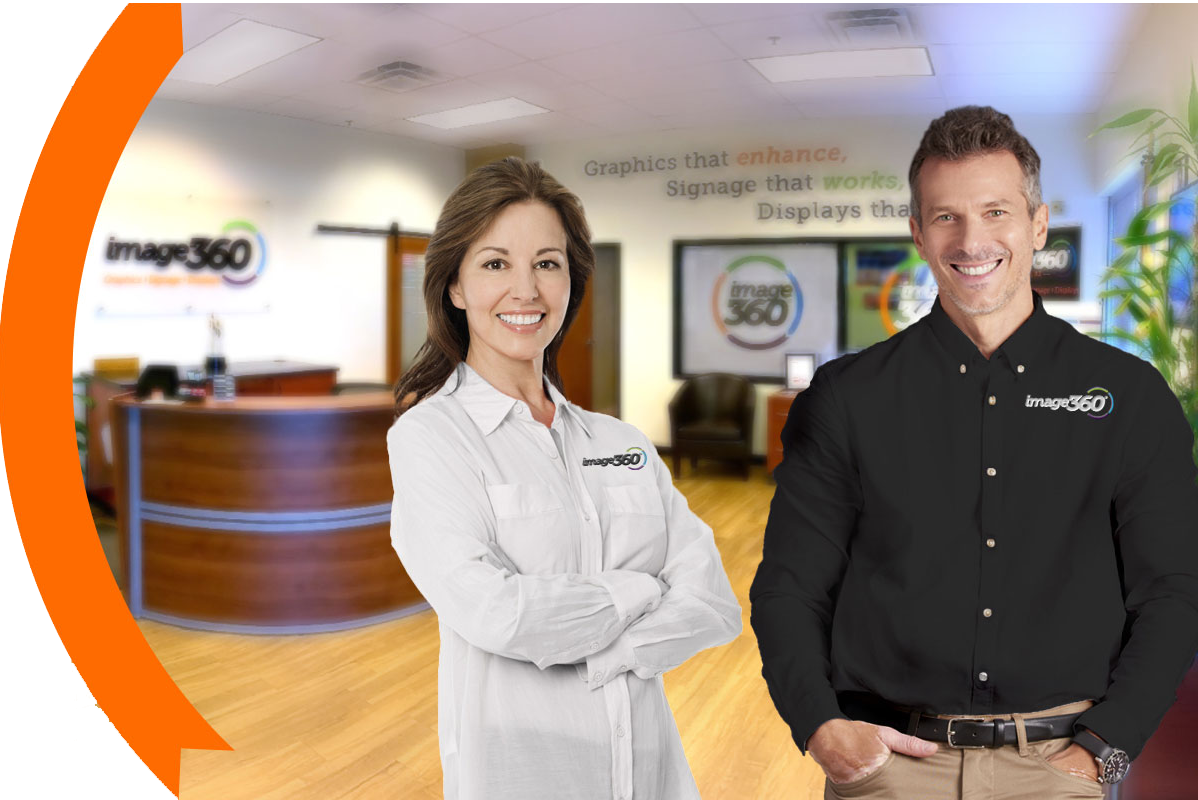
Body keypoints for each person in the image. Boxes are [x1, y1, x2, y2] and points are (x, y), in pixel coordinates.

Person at [750, 105, 1198, 799]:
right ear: (918, 234)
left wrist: (1107, 750)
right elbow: (789, 586)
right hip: (891, 768)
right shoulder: (845, 398)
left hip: (1059, 767)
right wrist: (819, 725)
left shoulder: (1129, 395)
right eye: (946, 217)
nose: (971, 240)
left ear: (1037, 225)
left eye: (996, 212)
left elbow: (1174, 589)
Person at [387, 157, 741, 800]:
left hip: (651, 773)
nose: (526, 290)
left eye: (546, 263)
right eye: (496, 264)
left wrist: (612, 649)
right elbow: (495, 613)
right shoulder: (431, 438)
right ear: (455, 287)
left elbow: (713, 604)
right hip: (524, 772)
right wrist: (639, 590)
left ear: (571, 282)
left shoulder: (623, 445)